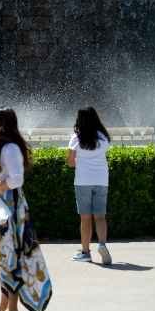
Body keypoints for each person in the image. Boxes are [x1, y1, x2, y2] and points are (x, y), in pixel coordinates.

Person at [0, 108, 52, 311]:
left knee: (12, 257)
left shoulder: (9, 148)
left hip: (10, 210)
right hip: (3, 208)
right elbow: (3, 175)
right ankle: (4, 305)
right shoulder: (5, 148)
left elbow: (16, 179)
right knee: (5, 258)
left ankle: (12, 309)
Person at [66, 107, 112, 264]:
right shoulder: (103, 137)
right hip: (101, 180)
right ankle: (102, 244)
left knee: (85, 218)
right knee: (100, 216)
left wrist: (81, 161)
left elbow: (70, 163)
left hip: (83, 180)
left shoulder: (76, 138)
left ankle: (85, 252)